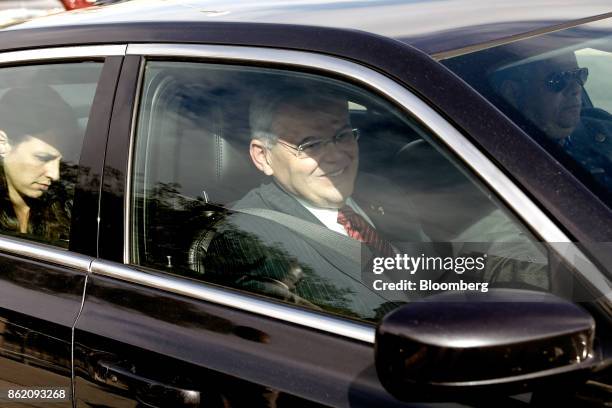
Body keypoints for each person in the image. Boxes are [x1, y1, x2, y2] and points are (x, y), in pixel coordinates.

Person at [198, 85, 427, 320]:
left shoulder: (380, 190)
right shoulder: (246, 238)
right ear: (263, 156)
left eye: (342, 135)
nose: (336, 156)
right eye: (310, 145)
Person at [491, 51, 612, 190]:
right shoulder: (499, 168)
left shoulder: (601, 124)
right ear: (513, 93)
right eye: (558, 79)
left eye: (579, 74)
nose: (576, 89)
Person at [0, 86, 80, 245]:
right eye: (42, 158)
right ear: (3, 144)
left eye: (62, 161)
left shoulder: (68, 205)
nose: (55, 174)